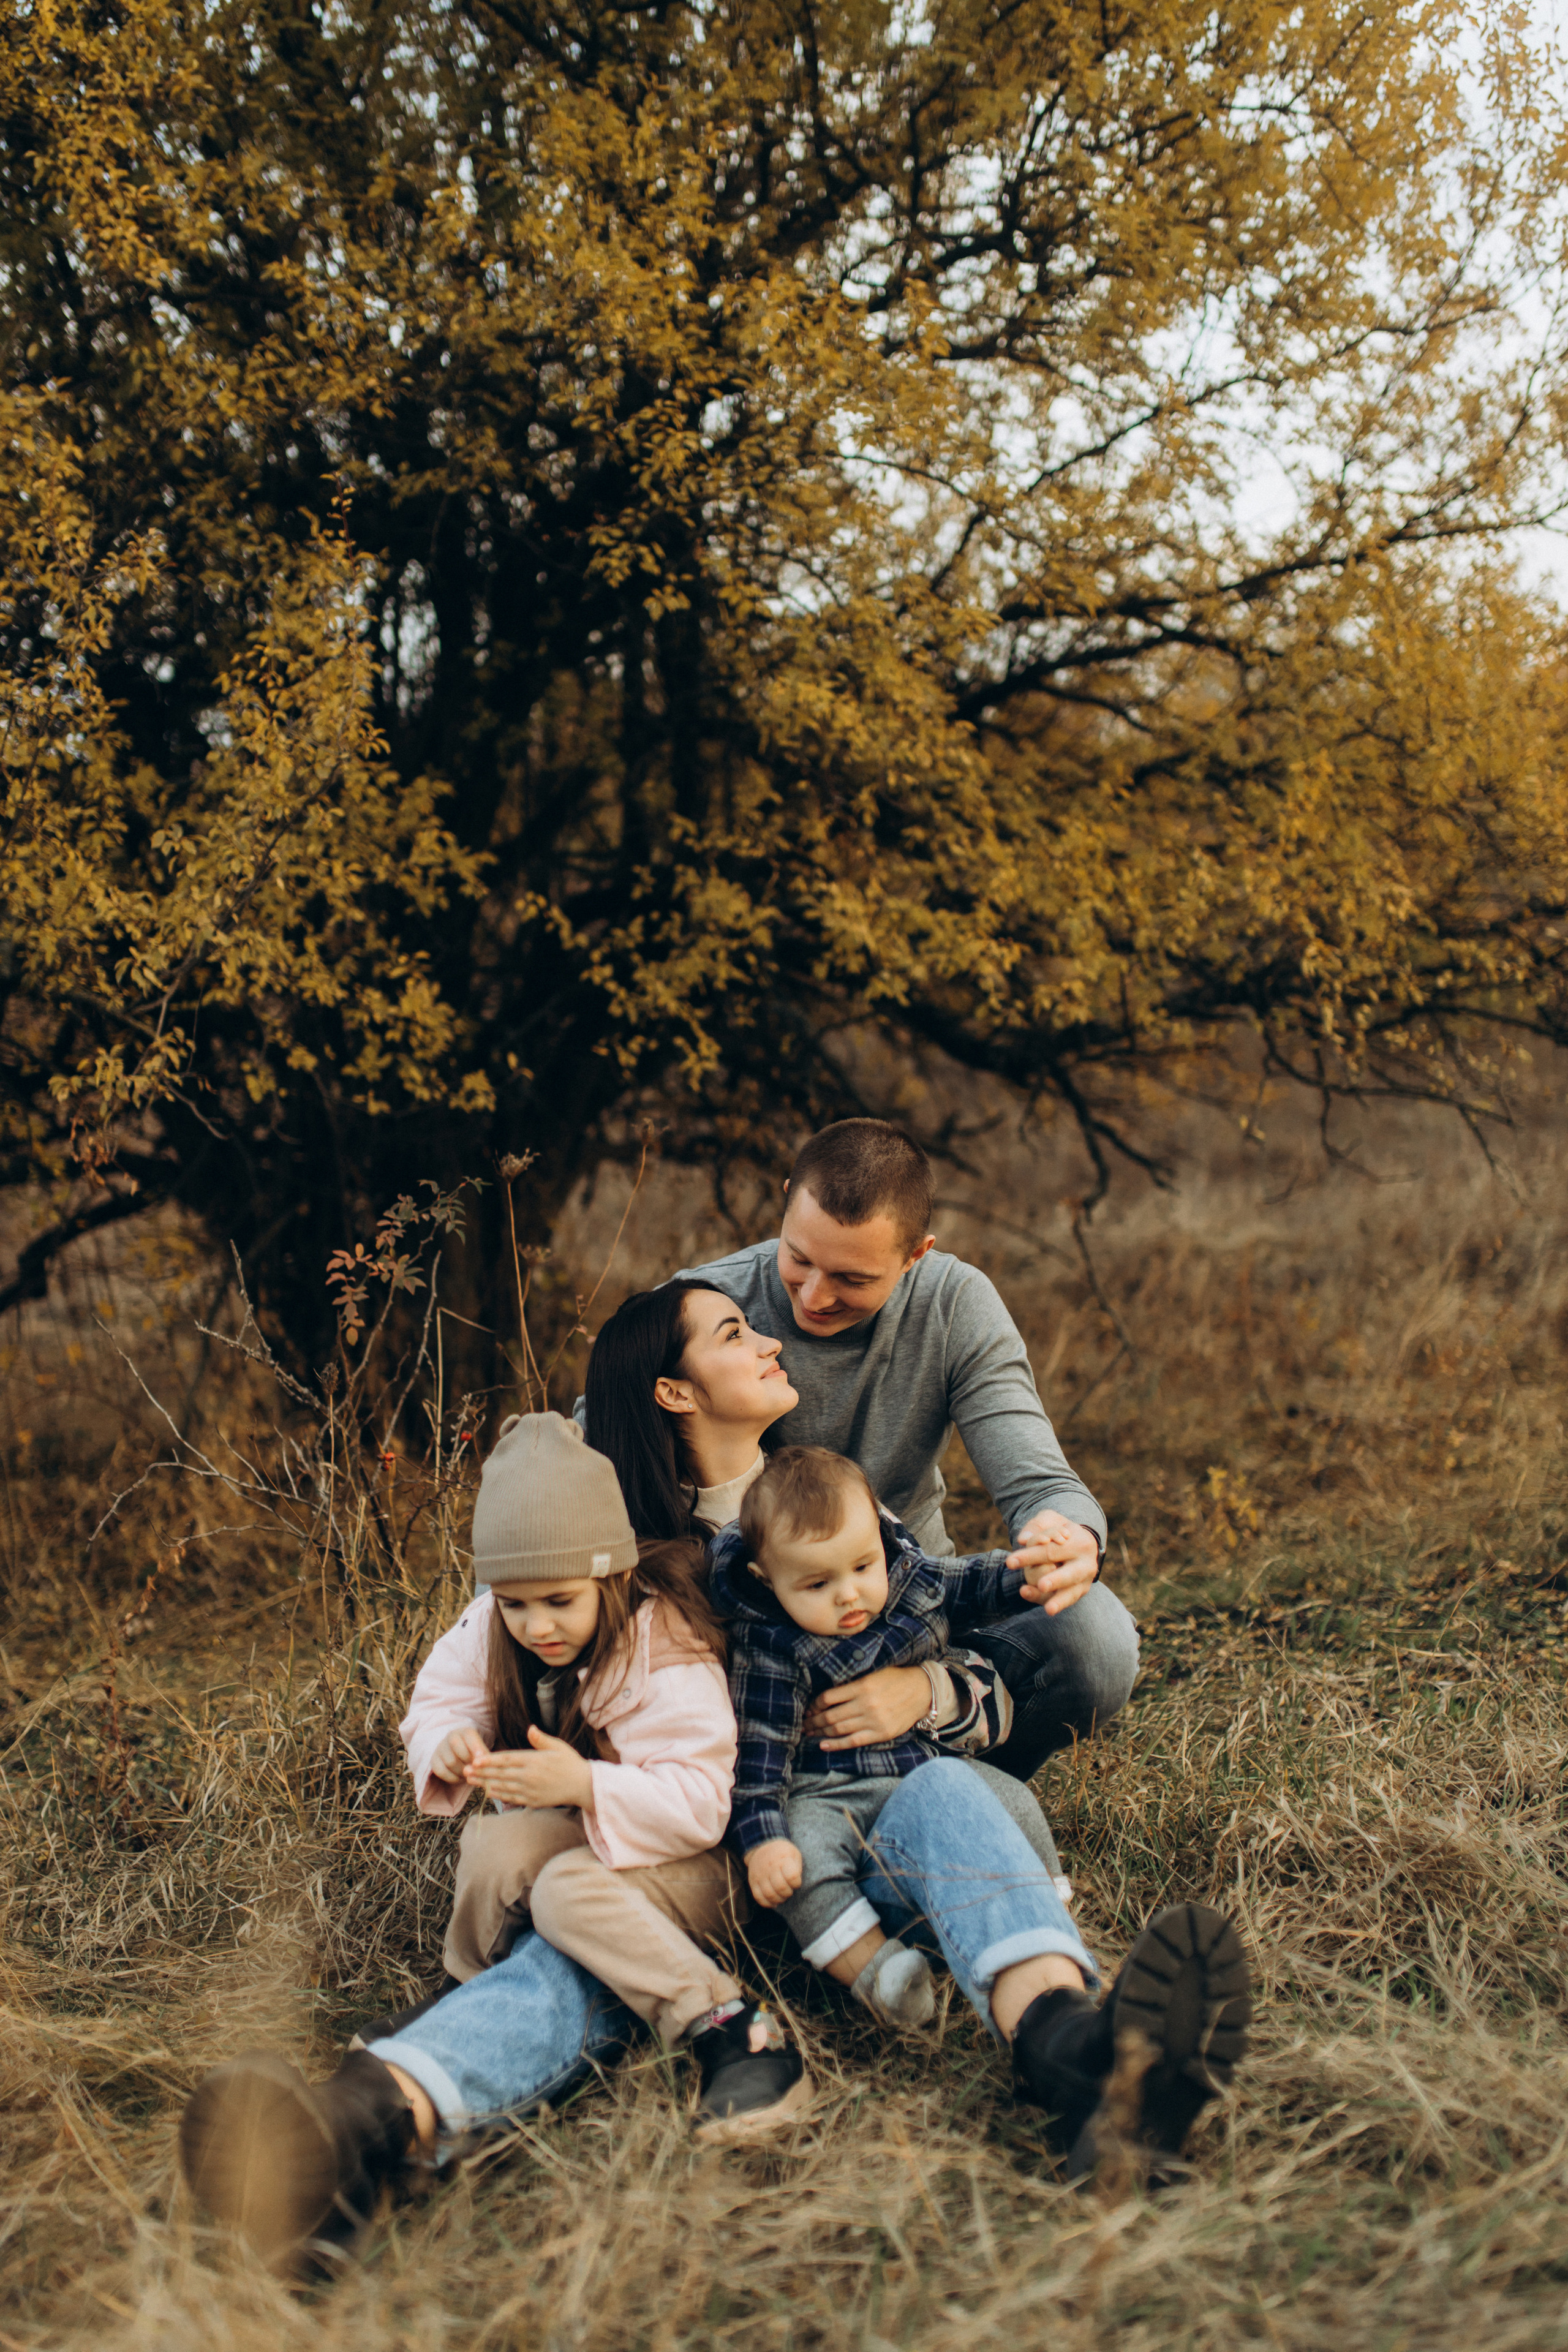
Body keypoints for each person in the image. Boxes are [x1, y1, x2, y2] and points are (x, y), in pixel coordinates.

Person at [678, 1118, 1141, 1779]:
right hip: (749, 1629)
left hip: (912, 1608)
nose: (813, 1295)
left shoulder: (954, 1303)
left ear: (915, 1255)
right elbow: (596, 1458)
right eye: (799, 1258)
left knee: (1094, 1637)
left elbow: (1041, 1482)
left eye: (851, 1278)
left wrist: (1066, 1537)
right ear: (784, 1200)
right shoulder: (706, 1304)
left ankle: (961, 1771)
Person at [397, 1412, 809, 2133]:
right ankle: (469, 1996)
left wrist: (585, 1786)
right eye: (516, 1604)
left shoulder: (662, 1641)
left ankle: (730, 2025)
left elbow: (704, 1803)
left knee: (563, 1889)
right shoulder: (494, 1620)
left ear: (609, 1575)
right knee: (497, 1848)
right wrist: (450, 1741)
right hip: (597, 1836)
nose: (536, 1626)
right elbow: (440, 1695)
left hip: (702, 1863)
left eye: (560, 1601)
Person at [712, 1446, 1070, 2027]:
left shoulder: (908, 1582)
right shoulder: (771, 1649)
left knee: (1011, 1800)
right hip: (824, 1791)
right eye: (817, 1583)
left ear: (880, 1542)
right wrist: (764, 1840)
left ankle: (1046, 1908)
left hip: (922, 1769)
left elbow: (969, 1582)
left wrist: (1023, 1572)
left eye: (862, 1566)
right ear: (767, 1580)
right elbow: (759, 1756)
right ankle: (878, 1974)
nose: (849, 1594)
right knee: (800, 1866)